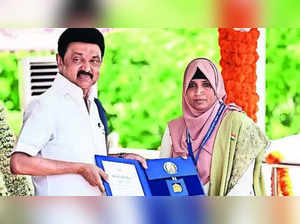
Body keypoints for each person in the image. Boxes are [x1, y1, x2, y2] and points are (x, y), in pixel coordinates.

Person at [10, 28, 147, 196]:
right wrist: (79, 169)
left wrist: (122, 158)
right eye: (77, 59)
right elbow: (19, 163)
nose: (86, 68)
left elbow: (88, 158)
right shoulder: (45, 104)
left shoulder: (94, 106)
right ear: (60, 61)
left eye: (94, 61)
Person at [160, 58, 269, 196]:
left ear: (217, 87)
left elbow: (242, 186)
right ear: (184, 90)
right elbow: (161, 176)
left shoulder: (237, 124)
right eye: (192, 85)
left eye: (206, 85)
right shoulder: (174, 129)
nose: (198, 92)